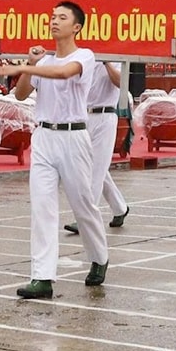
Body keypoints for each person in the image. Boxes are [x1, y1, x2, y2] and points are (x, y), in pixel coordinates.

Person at [0, 1, 110, 300]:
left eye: (62, 17)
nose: (54, 21)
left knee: (83, 204)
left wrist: (25, 65)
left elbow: (64, 74)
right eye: (52, 17)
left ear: (77, 26)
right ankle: (42, 277)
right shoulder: (42, 62)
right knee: (42, 207)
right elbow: (21, 93)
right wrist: (29, 64)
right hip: (44, 136)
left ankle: (99, 256)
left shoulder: (85, 56)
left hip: (73, 138)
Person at [65, 52, 130, 237]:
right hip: (83, 116)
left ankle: (84, 219)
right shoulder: (84, 57)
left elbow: (122, 83)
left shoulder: (117, 58)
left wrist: (107, 62)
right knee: (96, 169)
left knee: (94, 172)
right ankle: (120, 207)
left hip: (105, 115)